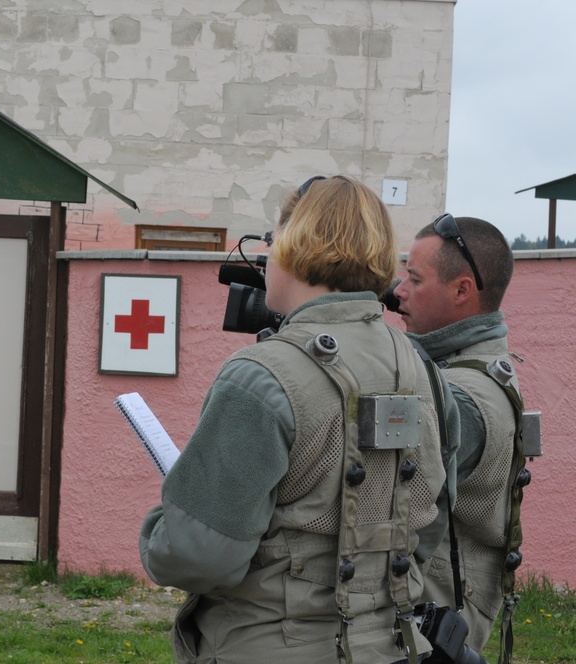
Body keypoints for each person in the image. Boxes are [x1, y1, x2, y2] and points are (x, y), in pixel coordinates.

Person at [139, 175, 459, 663]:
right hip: (389, 649)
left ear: (292, 244)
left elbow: (198, 554)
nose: (266, 255)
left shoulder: (261, 376)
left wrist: (163, 527)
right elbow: (430, 515)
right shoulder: (424, 369)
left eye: (270, 240)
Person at [394, 215, 526, 653]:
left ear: (462, 290)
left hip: (435, 628)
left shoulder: (468, 397)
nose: (398, 292)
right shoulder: (452, 371)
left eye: (414, 279)